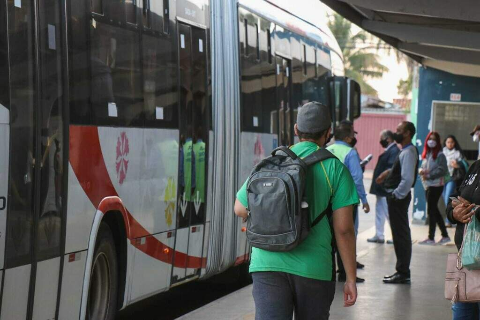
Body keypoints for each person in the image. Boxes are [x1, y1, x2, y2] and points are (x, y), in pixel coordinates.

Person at [234, 102, 358, 319]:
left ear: (295, 130)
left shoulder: (272, 161)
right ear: (328, 132)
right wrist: (350, 278)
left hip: (267, 263)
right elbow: (344, 230)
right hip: (314, 268)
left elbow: (239, 208)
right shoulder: (336, 169)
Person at [376, 121, 418, 284]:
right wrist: (388, 173)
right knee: (400, 233)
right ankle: (401, 270)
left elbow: (407, 179)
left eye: (399, 130)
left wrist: (396, 195)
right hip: (398, 198)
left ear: (407, 133)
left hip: (398, 199)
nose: (396, 132)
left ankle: (402, 272)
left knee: (400, 234)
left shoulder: (408, 152)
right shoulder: (406, 151)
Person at [327, 123, 369, 282]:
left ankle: (330, 273)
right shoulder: (350, 153)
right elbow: (357, 179)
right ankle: (345, 273)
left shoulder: (327, 150)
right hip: (345, 202)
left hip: (327, 201)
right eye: (352, 134)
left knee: (329, 237)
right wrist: (364, 200)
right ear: (347, 137)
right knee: (346, 236)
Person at [446, 158, 480, 319]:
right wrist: (454, 213)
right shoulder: (476, 166)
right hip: (467, 261)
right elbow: (455, 196)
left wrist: (472, 211)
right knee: (461, 315)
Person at [418, 132, 451, 245]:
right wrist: (421, 171)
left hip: (436, 185)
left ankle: (431, 238)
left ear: (437, 142)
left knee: (431, 211)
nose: (431, 141)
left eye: (434, 139)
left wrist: (429, 175)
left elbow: (442, 170)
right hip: (428, 184)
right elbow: (423, 166)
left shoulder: (440, 155)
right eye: (429, 139)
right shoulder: (427, 153)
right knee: (433, 210)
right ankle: (444, 235)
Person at [368, 130, 400, 244]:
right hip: (381, 189)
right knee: (380, 212)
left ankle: (395, 236)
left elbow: (391, 170)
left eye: (382, 138)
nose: (380, 141)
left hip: (386, 189)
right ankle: (379, 235)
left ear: (389, 139)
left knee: (388, 212)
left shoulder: (394, 151)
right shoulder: (390, 150)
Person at [443, 135, 466, 226]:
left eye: (452, 142)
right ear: (445, 143)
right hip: (441, 178)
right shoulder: (442, 152)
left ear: (454, 143)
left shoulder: (457, 153)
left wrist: (458, 165)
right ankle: (454, 216)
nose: (450, 144)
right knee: (445, 198)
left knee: (447, 198)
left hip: (452, 177)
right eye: (448, 142)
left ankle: (449, 220)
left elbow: (464, 165)